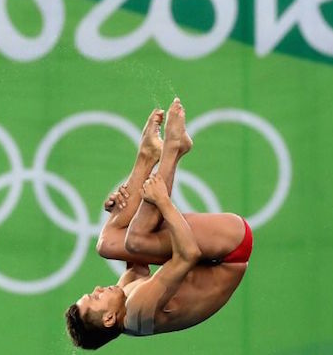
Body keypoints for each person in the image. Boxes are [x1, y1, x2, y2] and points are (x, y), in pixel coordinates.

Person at [64, 98, 253, 350]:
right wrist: (163, 202)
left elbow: (138, 263)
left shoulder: (122, 303)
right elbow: (187, 254)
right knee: (136, 238)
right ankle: (173, 148)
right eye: (96, 298)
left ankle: (147, 155)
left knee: (108, 243)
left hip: (206, 256)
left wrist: (117, 211)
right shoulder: (139, 311)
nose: (98, 288)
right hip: (231, 250)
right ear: (108, 319)